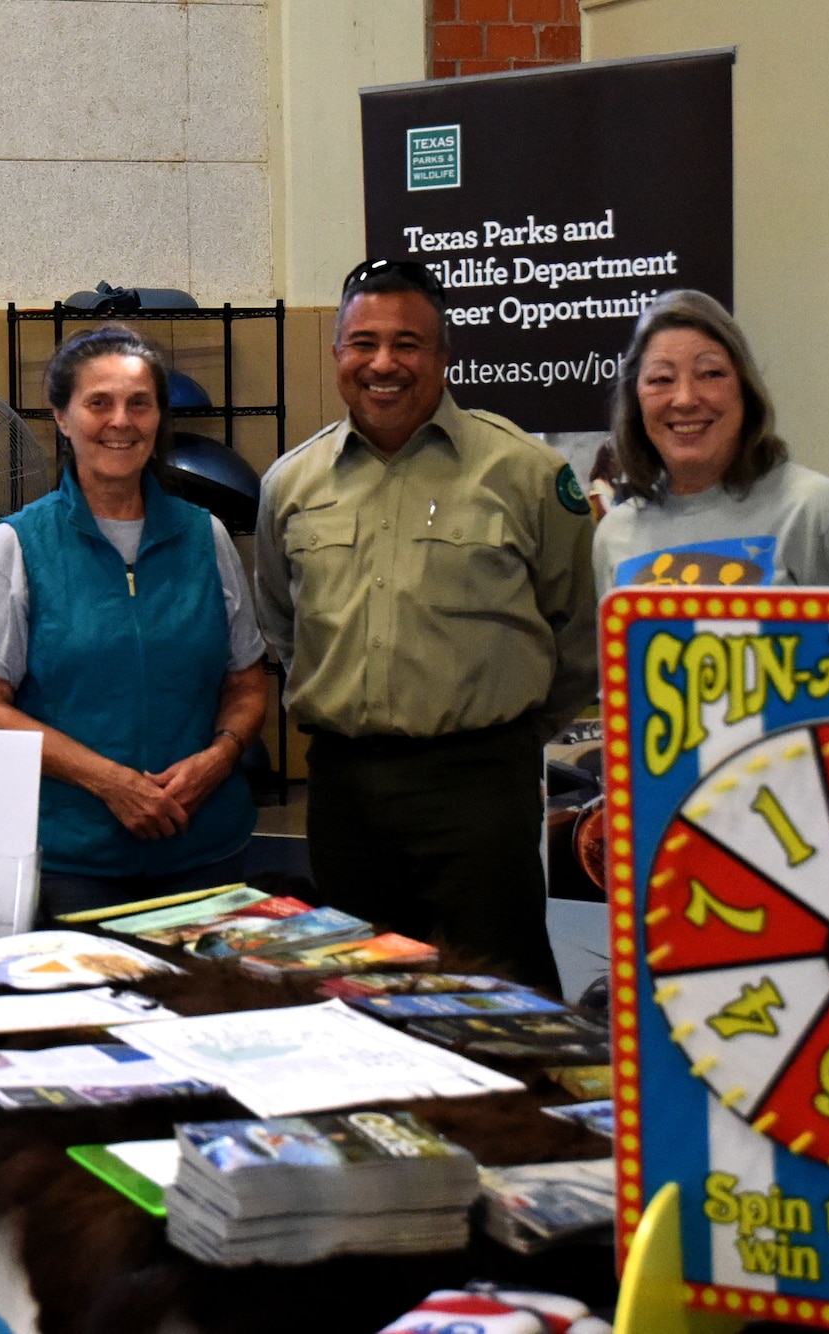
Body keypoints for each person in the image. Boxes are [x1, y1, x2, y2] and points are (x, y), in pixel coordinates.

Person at [253, 260, 597, 990]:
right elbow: (285, 623)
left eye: (408, 343)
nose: (385, 364)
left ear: (444, 355)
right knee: (357, 994)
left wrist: (511, 736)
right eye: (363, 343)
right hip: (346, 789)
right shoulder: (290, 483)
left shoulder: (525, 473)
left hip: (478, 786)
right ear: (338, 353)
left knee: (501, 1000)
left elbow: (578, 631)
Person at [0, 326, 266, 920]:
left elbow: (247, 685)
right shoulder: (18, 545)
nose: (121, 420)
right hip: (73, 865)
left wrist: (219, 758)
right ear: (62, 419)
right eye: (99, 402)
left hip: (206, 853)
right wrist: (111, 783)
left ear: (159, 418)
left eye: (139, 403)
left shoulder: (207, 536)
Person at [592, 289, 829, 591]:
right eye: (661, 379)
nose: (685, 399)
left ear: (745, 389)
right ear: (636, 401)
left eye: (710, 374)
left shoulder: (816, 511)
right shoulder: (615, 535)